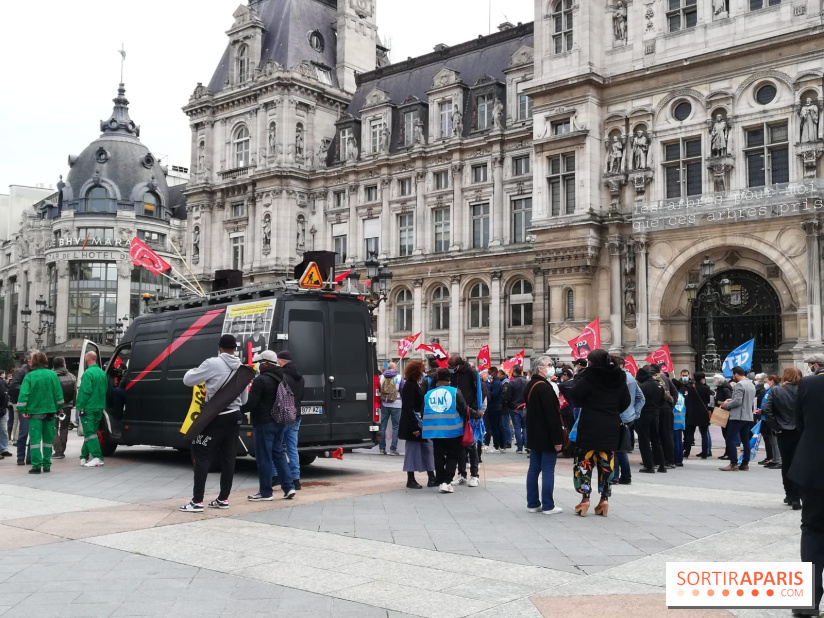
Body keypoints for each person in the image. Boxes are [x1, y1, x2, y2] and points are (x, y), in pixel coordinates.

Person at [180, 334, 249, 513]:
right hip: (234, 416)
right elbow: (244, 398)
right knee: (228, 457)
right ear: (235, 348)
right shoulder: (242, 368)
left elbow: (188, 381)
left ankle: (197, 501)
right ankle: (223, 498)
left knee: (202, 454)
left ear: (220, 348)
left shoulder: (212, 363)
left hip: (215, 416)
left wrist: (193, 371)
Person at [570, 350, 631, 517]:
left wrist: (586, 403)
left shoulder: (590, 375)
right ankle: (604, 499)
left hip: (590, 424)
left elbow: (575, 394)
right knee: (606, 463)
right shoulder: (619, 376)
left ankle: (585, 499)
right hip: (610, 425)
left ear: (592, 362)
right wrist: (612, 410)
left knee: (585, 462)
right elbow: (626, 401)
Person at [788, 354, 824, 617]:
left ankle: (807, 601)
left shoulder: (810, 385)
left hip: (814, 466)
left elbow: (800, 424)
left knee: (812, 528)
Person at [242, 350, 296, 502]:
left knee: (264, 458)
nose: (258, 365)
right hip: (281, 422)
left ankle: (265, 492)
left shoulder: (261, 380)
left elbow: (251, 403)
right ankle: (289, 487)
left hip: (264, 423)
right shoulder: (283, 377)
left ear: (266, 364)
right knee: (278, 454)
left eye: (259, 362)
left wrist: (238, 408)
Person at [525, 357, 565, 515]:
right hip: (547, 434)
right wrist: (558, 439)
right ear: (540, 368)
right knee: (547, 469)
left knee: (534, 469)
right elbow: (552, 416)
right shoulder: (545, 387)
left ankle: (533, 503)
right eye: (549, 365)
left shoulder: (530, 384)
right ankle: (548, 505)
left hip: (534, 432)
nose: (552, 367)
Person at [423, 368, 471, 493]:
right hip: (452, 429)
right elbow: (464, 409)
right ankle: (446, 481)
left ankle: (440, 480)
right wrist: (477, 414)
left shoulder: (428, 394)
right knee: (452, 455)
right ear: (449, 379)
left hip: (434, 430)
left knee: (438, 456)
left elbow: (423, 411)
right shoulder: (455, 392)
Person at [17, 352, 64, 474]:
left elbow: (23, 395)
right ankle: (47, 465)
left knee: (35, 441)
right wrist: (59, 408)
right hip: (50, 412)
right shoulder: (52, 375)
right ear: (45, 361)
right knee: (48, 440)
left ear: (33, 362)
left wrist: (23, 410)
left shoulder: (30, 376)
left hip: (35, 413)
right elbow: (58, 394)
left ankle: (36, 466)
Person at [763, 367, 802, 509]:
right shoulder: (803, 390)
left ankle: (789, 494)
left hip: (782, 431)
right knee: (798, 463)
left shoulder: (776, 390)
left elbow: (767, 410)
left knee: (786, 463)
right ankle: (797, 497)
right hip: (799, 431)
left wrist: (776, 426)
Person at [398, 360, 436, 489]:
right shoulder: (409, 386)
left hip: (419, 422)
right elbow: (408, 408)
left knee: (427, 448)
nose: (423, 372)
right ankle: (411, 479)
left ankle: (431, 477)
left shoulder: (415, 384)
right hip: (413, 424)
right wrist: (414, 427)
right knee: (413, 451)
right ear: (416, 371)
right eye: (422, 369)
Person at [449, 354, 482, 485]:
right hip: (456, 411)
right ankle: (462, 473)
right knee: (459, 444)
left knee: (471, 443)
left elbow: (478, 391)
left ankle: (474, 475)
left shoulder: (472, 372)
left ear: (459, 365)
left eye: (452, 367)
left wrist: (475, 410)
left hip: (469, 411)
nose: (450, 369)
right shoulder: (453, 374)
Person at [614, 357, 645, 485]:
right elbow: (641, 398)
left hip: (617, 416)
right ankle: (626, 476)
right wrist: (635, 413)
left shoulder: (618, 378)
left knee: (614, 448)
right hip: (627, 418)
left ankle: (615, 477)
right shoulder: (631, 377)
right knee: (621, 448)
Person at [718, 366, 755, 471]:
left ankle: (733, 463)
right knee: (745, 440)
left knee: (730, 438)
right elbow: (745, 399)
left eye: (733, 375)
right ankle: (745, 463)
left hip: (738, 416)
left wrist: (727, 405)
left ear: (737, 374)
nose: (733, 377)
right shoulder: (751, 384)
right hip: (748, 416)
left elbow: (738, 401)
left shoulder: (739, 385)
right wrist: (732, 399)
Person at [277, 350, 304, 490]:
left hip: (283, 415)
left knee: (277, 447)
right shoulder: (300, 377)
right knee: (292, 448)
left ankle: (275, 475)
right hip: (296, 415)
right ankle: (296, 479)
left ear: (281, 362)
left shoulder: (282, 376)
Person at [76, 351, 108, 468]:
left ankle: (97, 457)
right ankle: (83, 456)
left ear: (87, 359)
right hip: (99, 406)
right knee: (92, 433)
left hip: (88, 407)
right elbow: (105, 390)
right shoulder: (102, 373)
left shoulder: (88, 373)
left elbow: (85, 391)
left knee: (89, 433)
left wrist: (80, 406)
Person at [635, 366, 667, 473]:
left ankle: (649, 465)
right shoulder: (659, 386)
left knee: (644, 440)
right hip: (656, 414)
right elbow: (663, 401)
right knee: (656, 440)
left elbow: (638, 400)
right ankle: (662, 464)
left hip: (644, 414)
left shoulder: (642, 386)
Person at [9, 351, 34, 465]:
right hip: (25, 406)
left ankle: (29, 457)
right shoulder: (21, 371)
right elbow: (13, 386)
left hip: (35, 406)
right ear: (29, 359)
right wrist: (28, 389)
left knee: (34, 433)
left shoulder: (37, 371)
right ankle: (20, 457)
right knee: (24, 432)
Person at [682, 371, 712, 459]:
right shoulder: (706, 388)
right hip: (703, 412)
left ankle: (687, 452)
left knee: (690, 434)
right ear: (703, 378)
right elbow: (708, 400)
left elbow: (688, 400)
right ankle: (704, 453)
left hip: (692, 412)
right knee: (704, 434)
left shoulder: (691, 388)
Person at [52, 357, 76, 460]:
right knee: (64, 428)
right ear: (63, 364)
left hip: (54, 406)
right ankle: (62, 450)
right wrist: (72, 404)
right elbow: (75, 392)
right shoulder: (71, 376)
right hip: (67, 406)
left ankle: (58, 451)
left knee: (53, 427)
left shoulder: (52, 376)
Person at [378, 362, 403, 456]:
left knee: (383, 427)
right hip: (396, 404)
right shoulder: (399, 377)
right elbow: (402, 390)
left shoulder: (381, 377)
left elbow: (379, 389)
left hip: (385, 403)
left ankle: (382, 448)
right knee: (395, 427)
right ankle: (393, 449)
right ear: (394, 368)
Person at [758, 374, 782, 469]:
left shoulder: (775, 390)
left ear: (772, 381)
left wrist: (763, 411)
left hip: (770, 418)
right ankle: (774, 459)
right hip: (766, 417)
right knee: (771, 440)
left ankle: (778, 460)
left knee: (774, 440)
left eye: (767, 381)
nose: (766, 383)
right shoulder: (769, 390)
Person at [505, 365, 528, 454]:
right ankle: (526, 444)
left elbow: (509, 396)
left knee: (517, 427)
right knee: (525, 427)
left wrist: (510, 405)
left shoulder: (512, 383)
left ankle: (519, 447)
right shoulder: (526, 381)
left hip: (514, 407)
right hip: (524, 407)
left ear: (514, 372)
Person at [484, 367, 505, 453]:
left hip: (494, 407)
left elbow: (494, 394)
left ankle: (496, 446)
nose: (489, 374)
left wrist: (487, 391)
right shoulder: (496, 382)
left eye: (489, 373)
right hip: (496, 407)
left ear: (493, 373)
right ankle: (500, 445)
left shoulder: (496, 383)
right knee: (497, 426)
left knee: (495, 427)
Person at [0, 370, 9, 459]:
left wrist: (6, 405)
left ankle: (4, 449)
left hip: (3, 409)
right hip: (3, 408)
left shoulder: (3, 383)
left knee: (3, 430)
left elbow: (6, 394)